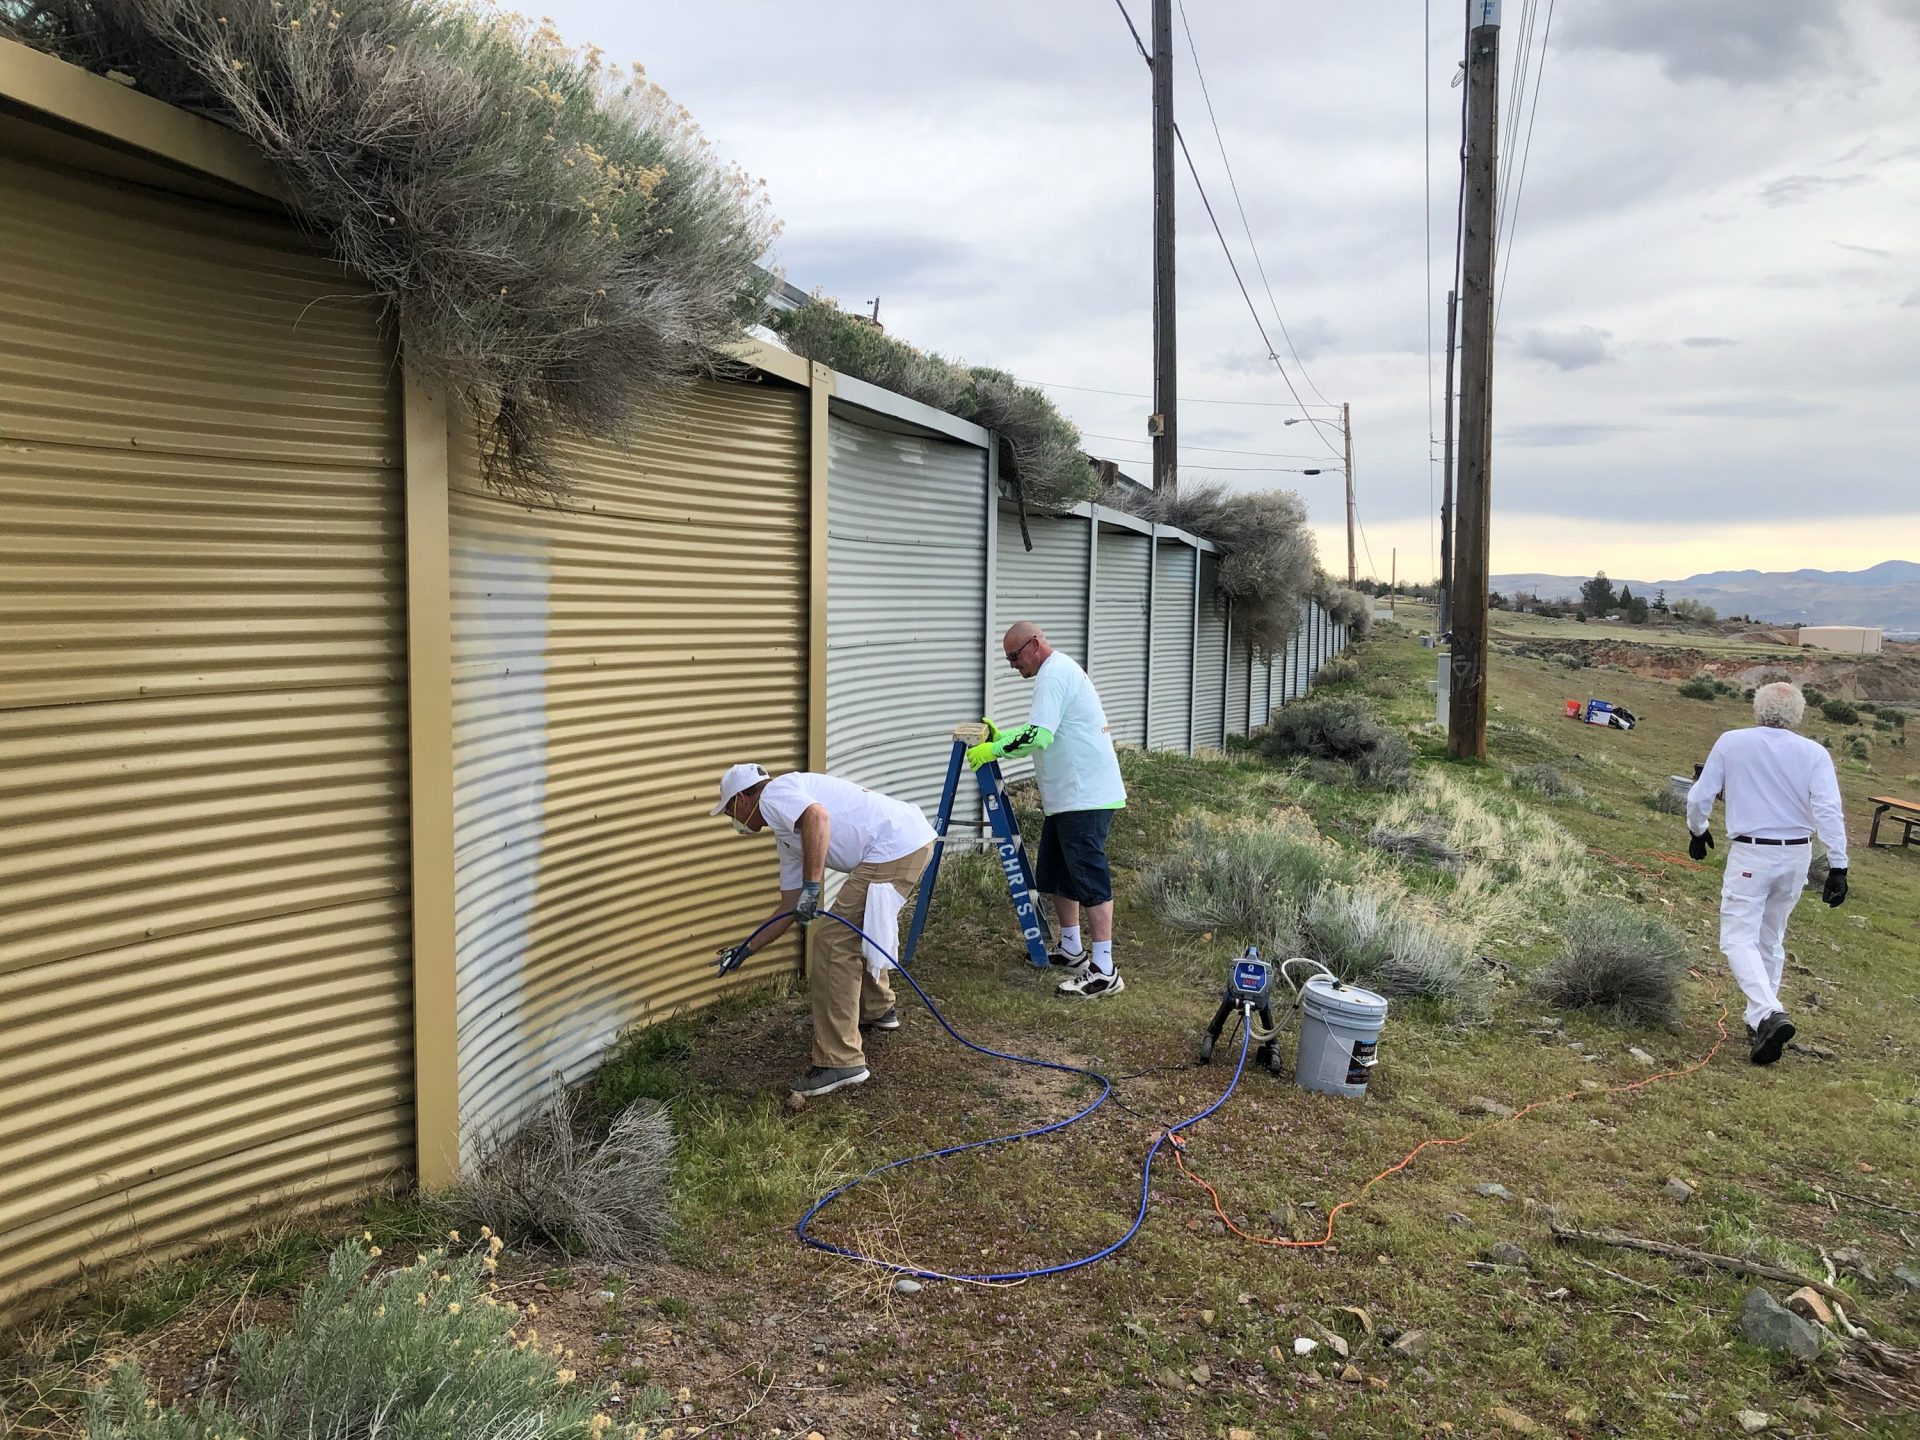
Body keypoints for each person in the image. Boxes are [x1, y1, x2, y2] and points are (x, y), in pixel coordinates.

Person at [710, 763, 935, 1098]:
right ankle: (877, 1009)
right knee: (860, 927)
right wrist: (745, 949)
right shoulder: (787, 833)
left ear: (745, 797)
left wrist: (812, 887)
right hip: (907, 839)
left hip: (895, 846)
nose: (735, 820)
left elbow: (818, 817)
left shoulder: (774, 794)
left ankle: (840, 1061)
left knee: (832, 942)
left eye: (731, 809)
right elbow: (787, 906)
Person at [1686, 682, 1849, 1066]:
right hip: (1797, 856)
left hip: (1750, 853)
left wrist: (1698, 829)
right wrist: (1839, 864)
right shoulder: (1814, 753)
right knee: (1771, 937)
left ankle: (1768, 1012)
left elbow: (1698, 795)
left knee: (1737, 938)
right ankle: (1760, 1020)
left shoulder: (1732, 742)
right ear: (1798, 713)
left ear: (1757, 709)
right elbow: (1828, 809)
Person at [967, 621, 1128, 998]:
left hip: (1085, 796)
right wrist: (1006, 736)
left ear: (1034, 645)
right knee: (1057, 874)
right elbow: (1047, 728)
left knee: (1089, 877)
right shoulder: (1056, 672)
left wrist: (994, 749)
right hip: (1069, 797)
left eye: (1014, 656)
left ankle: (1104, 969)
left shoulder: (1053, 675)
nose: (1011, 665)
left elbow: (1039, 735)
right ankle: (1071, 947)